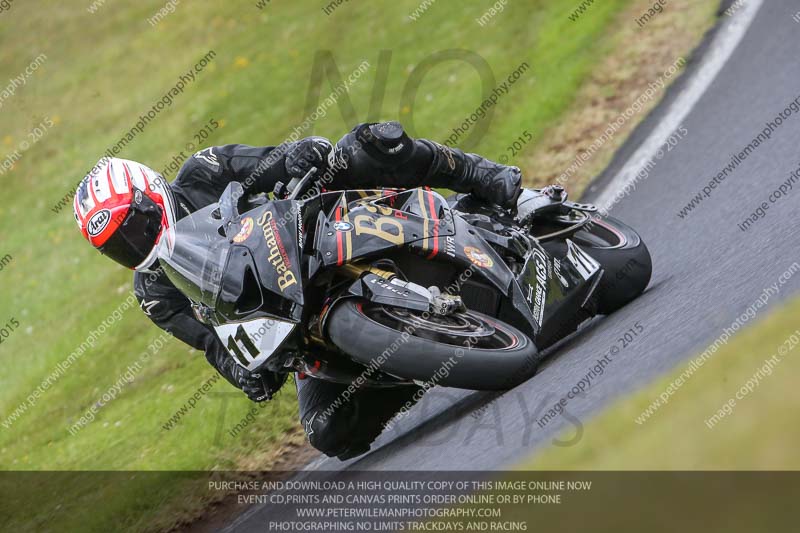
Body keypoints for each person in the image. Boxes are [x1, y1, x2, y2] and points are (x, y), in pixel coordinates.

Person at [73, 121, 521, 459]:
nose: (135, 243)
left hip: (318, 239)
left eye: (136, 225)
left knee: (366, 143)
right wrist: (242, 373)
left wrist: (298, 157)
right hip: (294, 325)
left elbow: (272, 162)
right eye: (118, 246)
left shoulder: (202, 172)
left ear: (150, 192)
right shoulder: (154, 291)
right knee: (330, 431)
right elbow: (211, 342)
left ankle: (482, 175)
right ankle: (428, 358)